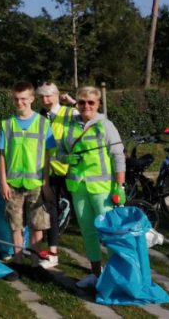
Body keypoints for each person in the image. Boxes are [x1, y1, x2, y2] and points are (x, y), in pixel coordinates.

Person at [58, 86, 125, 289]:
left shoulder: (106, 125)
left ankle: (116, 276)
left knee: (109, 232)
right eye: (82, 102)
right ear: (76, 104)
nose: (86, 106)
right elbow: (59, 152)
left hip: (102, 189)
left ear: (98, 104)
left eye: (91, 102)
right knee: (88, 232)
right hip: (78, 187)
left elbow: (118, 156)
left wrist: (120, 186)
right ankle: (95, 274)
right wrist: (66, 158)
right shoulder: (70, 126)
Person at [0, 81, 54, 270]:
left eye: (23, 99)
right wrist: (3, 182)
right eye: (16, 99)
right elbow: (2, 156)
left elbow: (47, 156)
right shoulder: (7, 125)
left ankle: (35, 262)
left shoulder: (43, 124)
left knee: (37, 225)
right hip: (13, 184)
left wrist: (46, 183)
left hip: (36, 183)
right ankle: (19, 260)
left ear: (31, 99)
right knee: (15, 225)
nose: (19, 102)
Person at [36, 81, 77, 269]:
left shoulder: (69, 112)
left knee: (82, 213)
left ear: (57, 95)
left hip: (71, 170)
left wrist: (73, 101)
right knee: (51, 211)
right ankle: (53, 253)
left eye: (49, 95)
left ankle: (101, 257)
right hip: (50, 171)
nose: (46, 100)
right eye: (42, 96)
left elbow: (90, 116)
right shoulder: (41, 117)